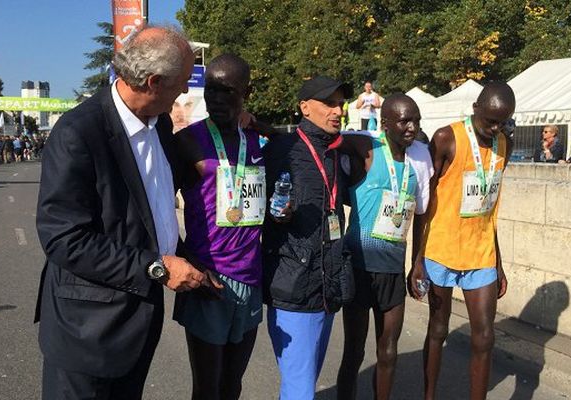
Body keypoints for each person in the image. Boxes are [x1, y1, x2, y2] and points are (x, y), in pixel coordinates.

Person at [35, 26, 219, 400]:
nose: (185, 91)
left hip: (136, 326)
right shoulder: (79, 133)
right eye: (182, 83)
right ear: (153, 82)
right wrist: (159, 267)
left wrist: (185, 258)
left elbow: (151, 213)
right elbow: (64, 239)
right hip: (86, 335)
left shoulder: (160, 124)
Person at [408, 82, 515, 400]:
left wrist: (499, 262)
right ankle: (430, 395)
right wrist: (417, 260)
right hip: (441, 250)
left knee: (484, 338)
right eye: (490, 120)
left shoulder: (503, 144)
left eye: (503, 121)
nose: (495, 128)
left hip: (480, 254)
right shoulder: (445, 138)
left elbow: (490, 207)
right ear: (476, 110)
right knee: (437, 330)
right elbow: (423, 203)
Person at [172, 54, 264, 400]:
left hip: (251, 279)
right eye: (212, 90)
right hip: (209, 279)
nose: (218, 100)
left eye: (229, 92)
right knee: (207, 388)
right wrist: (188, 261)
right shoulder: (187, 142)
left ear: (247, 92)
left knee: (233, 384)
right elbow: (158, 211)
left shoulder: (257, 141)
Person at [262, 76, 354, 400]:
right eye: (329, 103)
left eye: (340, 103)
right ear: (305, 107)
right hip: (293, 285)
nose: (338, 110)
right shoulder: (282, 149)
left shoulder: (333, 151)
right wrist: (277, 213)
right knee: (300, 389)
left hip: (326, 288)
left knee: (304, 382)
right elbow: (262, 210)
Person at [336, 94, 433, 399]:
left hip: (393, 268)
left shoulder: (418, 159)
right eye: (405, 120)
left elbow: (421, 215)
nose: (412, 127)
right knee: (354, 350)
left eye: (416, 120)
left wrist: (418, 263)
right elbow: (331, 137)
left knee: (388, 351)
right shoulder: (367, 149)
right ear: (386, 123)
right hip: (359, 265)